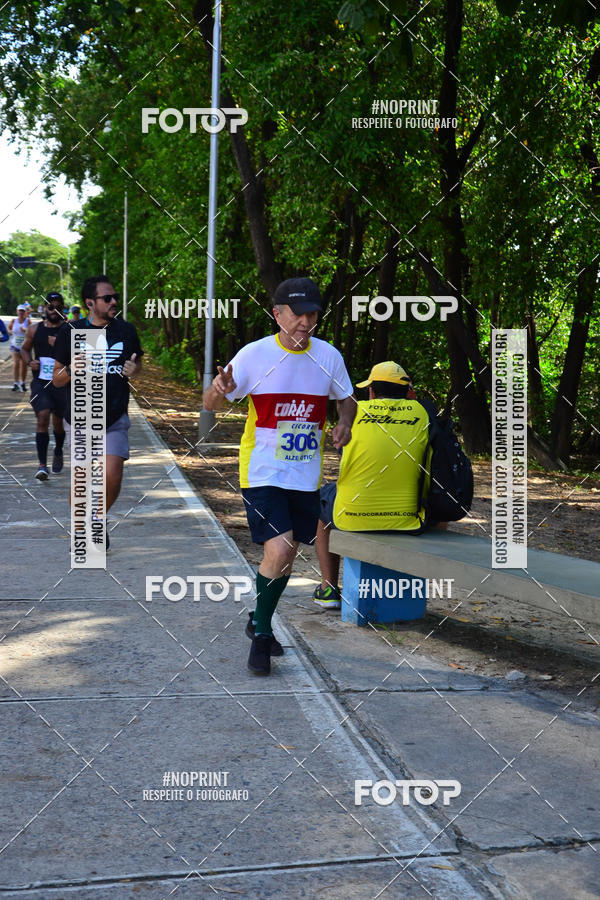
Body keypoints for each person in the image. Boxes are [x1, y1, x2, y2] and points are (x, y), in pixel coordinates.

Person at [203, 277, 356, 675]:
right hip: (262, 470)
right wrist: (220, 388)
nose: (306, 321)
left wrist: (344, 424)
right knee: (280, 548)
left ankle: (257, 618)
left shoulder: (328, 356)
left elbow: (348, 400)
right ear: (277, 314)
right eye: (298, 313)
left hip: (305, 475)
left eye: (312, 313)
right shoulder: (254, 355)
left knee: (286, 557)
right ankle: (264, 634)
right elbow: (212, 402)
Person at [313, 361, 435, 610]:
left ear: (371, 391)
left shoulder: (355, 413)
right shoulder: (423, 413)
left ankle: (328, 588)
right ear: (408, 392)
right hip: (410, 518)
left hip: (352, 516)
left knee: (322, 503)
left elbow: (344, 452)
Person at [52, 276, 143, 549]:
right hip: (81, 416)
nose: (114, 301)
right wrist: (70, 370)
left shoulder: (125, 331)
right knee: (82, 478)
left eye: (114, 297)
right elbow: (55, 379)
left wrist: (134, 371)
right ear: (90, 303)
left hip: (114, 416)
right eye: (107, 298)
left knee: (113, 475)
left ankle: (97, 519)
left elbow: (138, 364)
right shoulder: (72, 331)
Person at [20, 291, 68, 480]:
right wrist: (30, 361)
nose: (54, 310)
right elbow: (24, 349)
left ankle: (58, 449)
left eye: (58, 306)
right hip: (40, 382)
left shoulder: (69, 329)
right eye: (50, 306)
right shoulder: (34, 329)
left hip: (62, 382)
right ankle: (42, 465)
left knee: (58, 423)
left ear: (62, 309)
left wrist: (59, 345)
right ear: (45, 308)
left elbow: (81, 353)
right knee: (43, 416)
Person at [8, 304, 29, 391]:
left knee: (24, 365)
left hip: (25, 347)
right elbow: (8, 329)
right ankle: (15, 383)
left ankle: (22, 383)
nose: (21, 312)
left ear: (25, 312)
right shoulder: (14, 320)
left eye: (22, 311)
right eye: (19, 310)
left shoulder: (28, 321)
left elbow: (32, 332)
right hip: (15, 345)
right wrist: (10, 331)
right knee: (16, 363)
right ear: (17, 311)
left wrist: (25, 330)